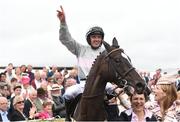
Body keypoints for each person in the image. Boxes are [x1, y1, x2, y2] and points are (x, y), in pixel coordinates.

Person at [57, 5, 115, 121]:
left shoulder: (105, 52)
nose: (96, 39)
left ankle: (114, 117)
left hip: (102, 84)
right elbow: (65, 39)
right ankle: (68, 117)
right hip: (84, 84)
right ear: (89, 38)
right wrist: (63, 22)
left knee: (113, 90)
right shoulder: (80, 49)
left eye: (99, 37)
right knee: (68, 94)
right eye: (94, 37)